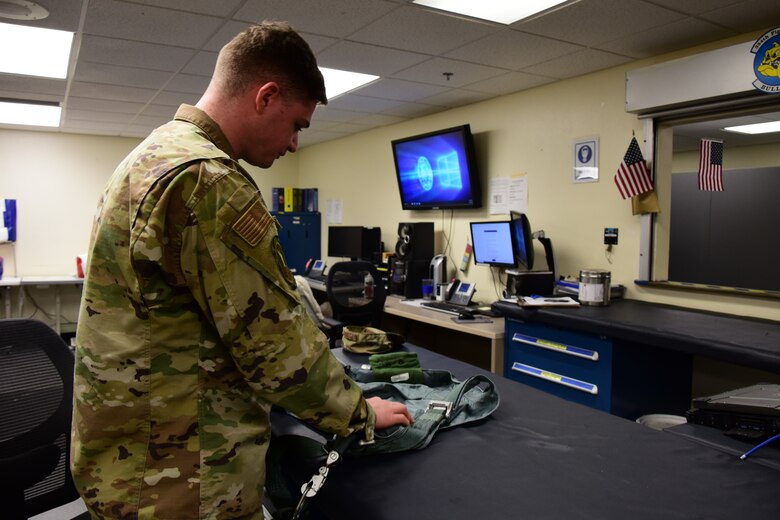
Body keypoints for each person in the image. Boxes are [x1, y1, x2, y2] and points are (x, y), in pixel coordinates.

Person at [70, 21, 412, 519]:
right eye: (297, 124)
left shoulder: (154, 154)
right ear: (266, 96)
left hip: (132, 461)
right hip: (183, 479)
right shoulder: (209, 181)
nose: (295, 144)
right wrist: (358, 413)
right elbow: (275, 345)